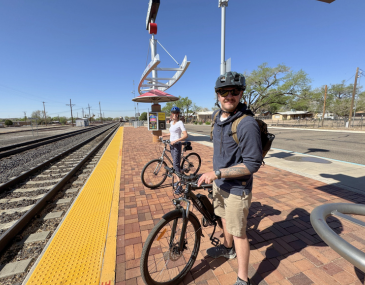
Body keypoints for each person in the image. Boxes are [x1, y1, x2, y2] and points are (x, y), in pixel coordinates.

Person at [197, 72, 262, 285]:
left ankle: (243, 278)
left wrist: (216, 173)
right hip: (220, 183)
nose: (229, 95)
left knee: (240, 233)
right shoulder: (217, 117)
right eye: (224, 91)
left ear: (241, 93)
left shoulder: (247, 124)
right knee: (223, 218)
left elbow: (252, 164)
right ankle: (227, 249)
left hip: (237, 188)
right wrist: (215, 174)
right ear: (217, 94)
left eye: (234, 91)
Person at [159, 107, 188, 192]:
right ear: (171, 114)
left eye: (176, 113)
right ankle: (180, 173)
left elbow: (185, 135)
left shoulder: (180, 123)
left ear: (178, 114)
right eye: (173, 113)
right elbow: (171, 133)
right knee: (176, 164)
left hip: (177, 145)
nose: (174, 115)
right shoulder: (172, 123)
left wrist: (176, 140)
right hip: (171, 145)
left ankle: (179, 186)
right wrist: (163, 136)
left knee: (175, 165)